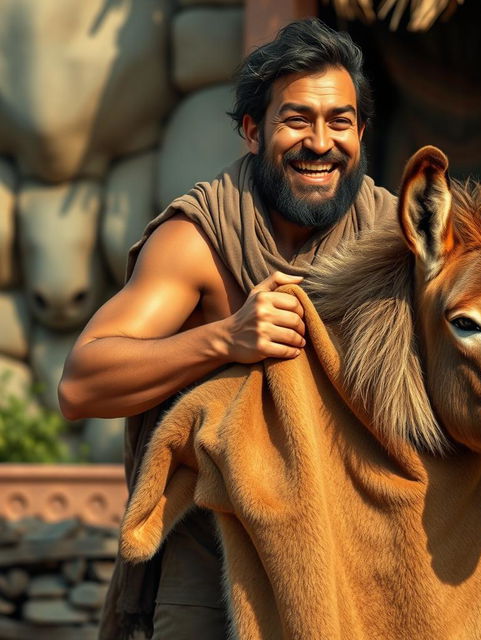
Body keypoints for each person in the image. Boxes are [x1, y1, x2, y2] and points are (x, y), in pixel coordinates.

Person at [58, 17, 397, 640]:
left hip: (357, 553)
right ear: (252, 131)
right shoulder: (199, 241)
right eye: (296, 120)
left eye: (339, 121)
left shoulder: (395, 240)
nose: (320, 142)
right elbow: (81, 386)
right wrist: (225, 338)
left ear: (360, 132)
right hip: (215, 557)